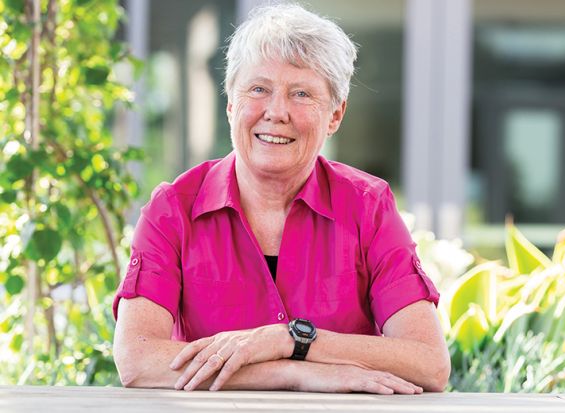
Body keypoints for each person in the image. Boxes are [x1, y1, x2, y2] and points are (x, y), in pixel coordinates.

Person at [112, 4, 450, 394]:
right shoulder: (173, 210)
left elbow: (430, 364)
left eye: (301, 94)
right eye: (258, 89)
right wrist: (292, 373)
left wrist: (293, 339)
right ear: (230, 103)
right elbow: (138, 361)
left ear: (335, 115)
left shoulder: (368, 207)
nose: (276, 112)